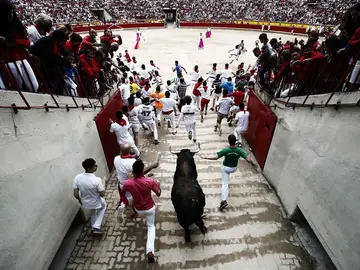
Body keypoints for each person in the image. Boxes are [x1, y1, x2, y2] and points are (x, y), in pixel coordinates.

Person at [121, 160, 162, 263]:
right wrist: (158, 184)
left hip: (138, 208)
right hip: (149, 209)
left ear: (133, 172)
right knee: (151, 227)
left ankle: (134, 213)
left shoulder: (127, 183)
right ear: (142, 170)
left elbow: (123, 192)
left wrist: (126, 201)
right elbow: (158, 194)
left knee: (136, 209)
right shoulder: (150, 181)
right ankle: (150, 251)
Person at [200, 135, 254, 211]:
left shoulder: (226, 150)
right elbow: (248, 160)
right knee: (228, 175)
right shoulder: (240, 150)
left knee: (225, 184)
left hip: (226, 168)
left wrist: (206, 157)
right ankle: (227, 178)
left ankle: (224, 200)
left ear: (228, 141)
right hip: (234, 168)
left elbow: (216, 158)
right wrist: (250, 157)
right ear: (235, 141)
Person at [0, 0, 39, 92]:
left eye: (12, 12)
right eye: (9, 13)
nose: (12, 15)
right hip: (8, 60)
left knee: (34, 86)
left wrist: (12, 42)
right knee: (17, 87)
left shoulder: (17, 25)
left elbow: (27, 42)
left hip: (21, 58)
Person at [114, 145, 160, 221]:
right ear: (129, 151)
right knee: (135, 198)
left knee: (124, 197)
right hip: (131, 184)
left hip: (122, 184)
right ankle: (134, 211)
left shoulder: (116, 159)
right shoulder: (132, 162)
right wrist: (152, 166)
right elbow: (139, 173)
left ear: (120, 151)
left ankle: (122, 205)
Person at [73, 158, 106, 235]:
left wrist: (81, 201)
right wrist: (102, 188)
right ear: (89, 168)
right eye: (95, 166)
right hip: (96, 202)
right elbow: (102, 194)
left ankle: (94, 227)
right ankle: (96, 227)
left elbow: (76, 194)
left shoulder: (77, 177)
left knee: (93, 213)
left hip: (85, 202)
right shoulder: (97, 180)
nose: (96, 166)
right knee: (104, 206)